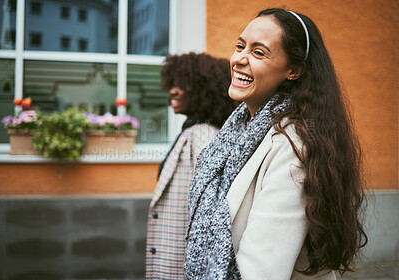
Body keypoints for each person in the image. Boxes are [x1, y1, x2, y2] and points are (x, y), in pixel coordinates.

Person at [184, 8, 367, 280]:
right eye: (239, 46)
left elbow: (262, 270)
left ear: (293, 70)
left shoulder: (293, 146)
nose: (239, 59)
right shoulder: (239, 130)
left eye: (258, 52)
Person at [145, 52, 237, 279]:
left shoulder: (203, 136)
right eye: (171, 83)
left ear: (204, 89)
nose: (172, 91)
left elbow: (212, 210)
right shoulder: (195, 131)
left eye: (182, 85)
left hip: (183, 263)